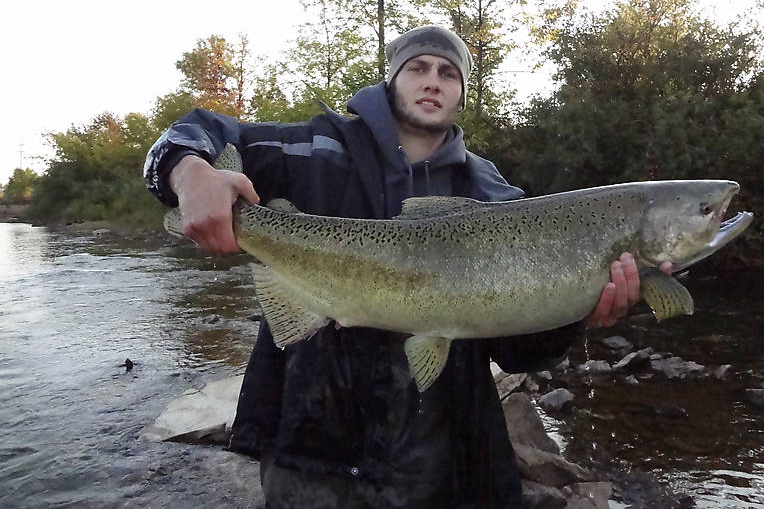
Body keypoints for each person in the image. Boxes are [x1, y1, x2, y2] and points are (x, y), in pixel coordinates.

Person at [144, 25, 653, 508]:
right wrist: (188, 171)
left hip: (440, 460)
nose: (433, 79)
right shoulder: (315, 149)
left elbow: (518, 351)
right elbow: (198, 130)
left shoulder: (494, 196)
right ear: (391, 79)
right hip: (310, 447)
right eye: (417, 67)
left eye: (448, 73)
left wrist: (577, 309)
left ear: (461, 95)